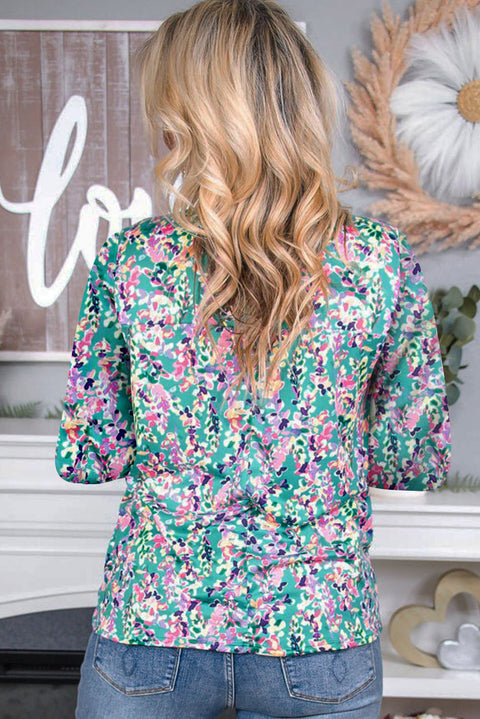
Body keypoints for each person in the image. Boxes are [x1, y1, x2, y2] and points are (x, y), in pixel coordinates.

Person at [54, 1, 452, 717]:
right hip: (320, 632)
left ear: (192, 115)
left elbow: (90, 453)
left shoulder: (132, 260)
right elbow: (413, 459)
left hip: (154, 624)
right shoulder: (378, 259)